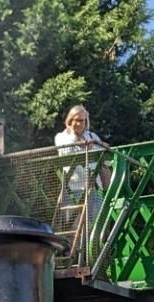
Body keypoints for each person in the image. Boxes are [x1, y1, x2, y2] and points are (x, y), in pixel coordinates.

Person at [53, 105, 109, 259]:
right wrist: (82, 145)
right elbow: (65, 152)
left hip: (93, 186)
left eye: (83, 121)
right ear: (70, 120)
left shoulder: (92, 136)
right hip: (73, 189)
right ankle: (72, 257)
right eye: (77, 120)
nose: (80, 124)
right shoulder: (61, 137)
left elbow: (102, 157)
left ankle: (92, 258)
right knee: (73, 224)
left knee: (94, 224)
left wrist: (101, 146)